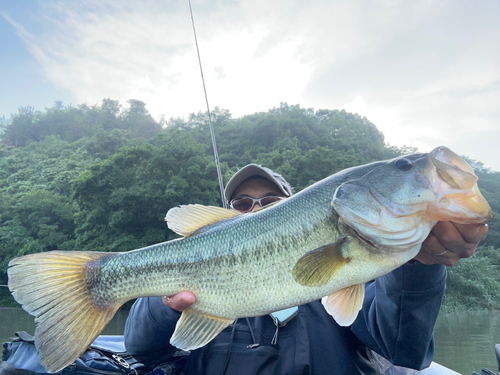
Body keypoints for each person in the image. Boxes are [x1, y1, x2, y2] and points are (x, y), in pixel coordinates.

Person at [124, 164, 488, 374]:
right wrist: (164, 306)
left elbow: (404, 349)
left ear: (297, 206)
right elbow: (141, 348)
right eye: (242, 203)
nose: (255, 207)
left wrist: (421, 267)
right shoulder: (194, 287)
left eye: (270, 201)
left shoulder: (353, 274)